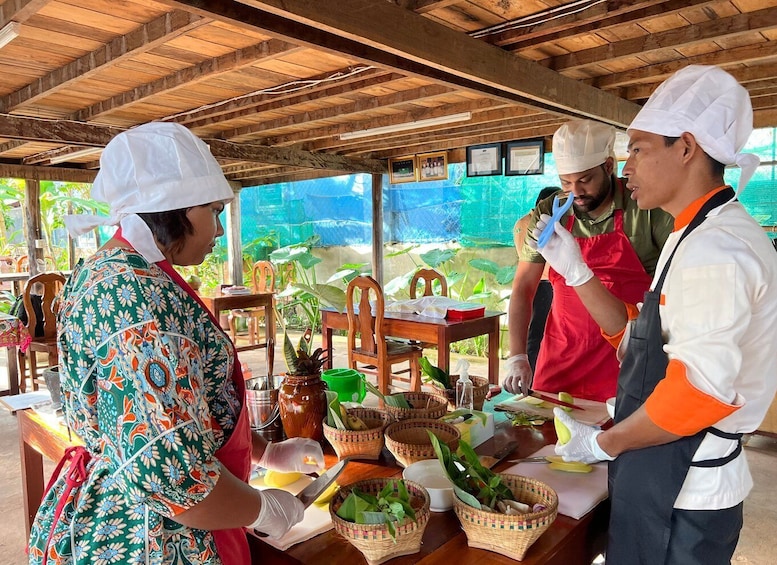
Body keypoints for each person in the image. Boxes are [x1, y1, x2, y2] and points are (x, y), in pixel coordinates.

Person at [28, 122, 325, 565]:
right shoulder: (135, 299)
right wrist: (263, 508)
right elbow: (171, 476)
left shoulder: (112, 270)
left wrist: (265, 452)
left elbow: (175, 409)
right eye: (214, 210)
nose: (220, 229)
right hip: (155, 537)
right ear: (174, 208)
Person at [536, 65, 777, 564]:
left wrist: (605, 442)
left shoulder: (717, 249)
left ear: (685, 146)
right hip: (663, 466)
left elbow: (699, 390)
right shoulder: (690, 233)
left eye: (639, 149)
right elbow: (637, 341)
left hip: (685, 483)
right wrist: (578, 272)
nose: (627, 169)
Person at [504, 120, 673, 401]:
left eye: (584, 180)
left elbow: (670, 292)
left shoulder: (644, 208)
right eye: (565, 182)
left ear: (609, 166)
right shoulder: (550, 211)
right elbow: (524, 286)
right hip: (562, 355)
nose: (575, 192)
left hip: (623, 357)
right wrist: (518, 355)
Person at [511, 186, 559, 370]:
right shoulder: (527, 224)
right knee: (537, 331)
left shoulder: (541, 222)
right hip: (541, 282)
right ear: (541, 204)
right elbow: (531, 257)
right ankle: (530, 368)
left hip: (551, 282)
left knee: (547, 331)